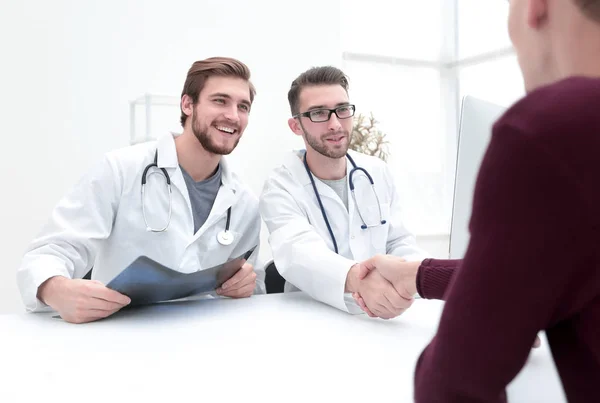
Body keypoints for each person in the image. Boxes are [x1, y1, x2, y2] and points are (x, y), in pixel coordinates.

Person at [353, 0, 600, 400]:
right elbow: (537, 265)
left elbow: (452, 387)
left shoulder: (556, 129)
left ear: (535, 7)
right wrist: (417, 274)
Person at [16, 57, 263, 324]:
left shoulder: (243, 201)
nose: (233, 115)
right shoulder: (121, 169)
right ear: (188, 104)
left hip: (203, 336)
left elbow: (253, 285)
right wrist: (56, 289)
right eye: (220, 101)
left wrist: (245, 286)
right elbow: (50, 252)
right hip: (119, 333)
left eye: (243, 106)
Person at [259, 66, 428, 318]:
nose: (335, 124)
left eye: (342, 109)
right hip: (311, 315)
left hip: (383, 313)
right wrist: (359, 281)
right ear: (296, 126)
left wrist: (416, 276)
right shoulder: (281, 184)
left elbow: (399, 241)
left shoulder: (376, 171)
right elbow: (299, 253)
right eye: (318, 113)